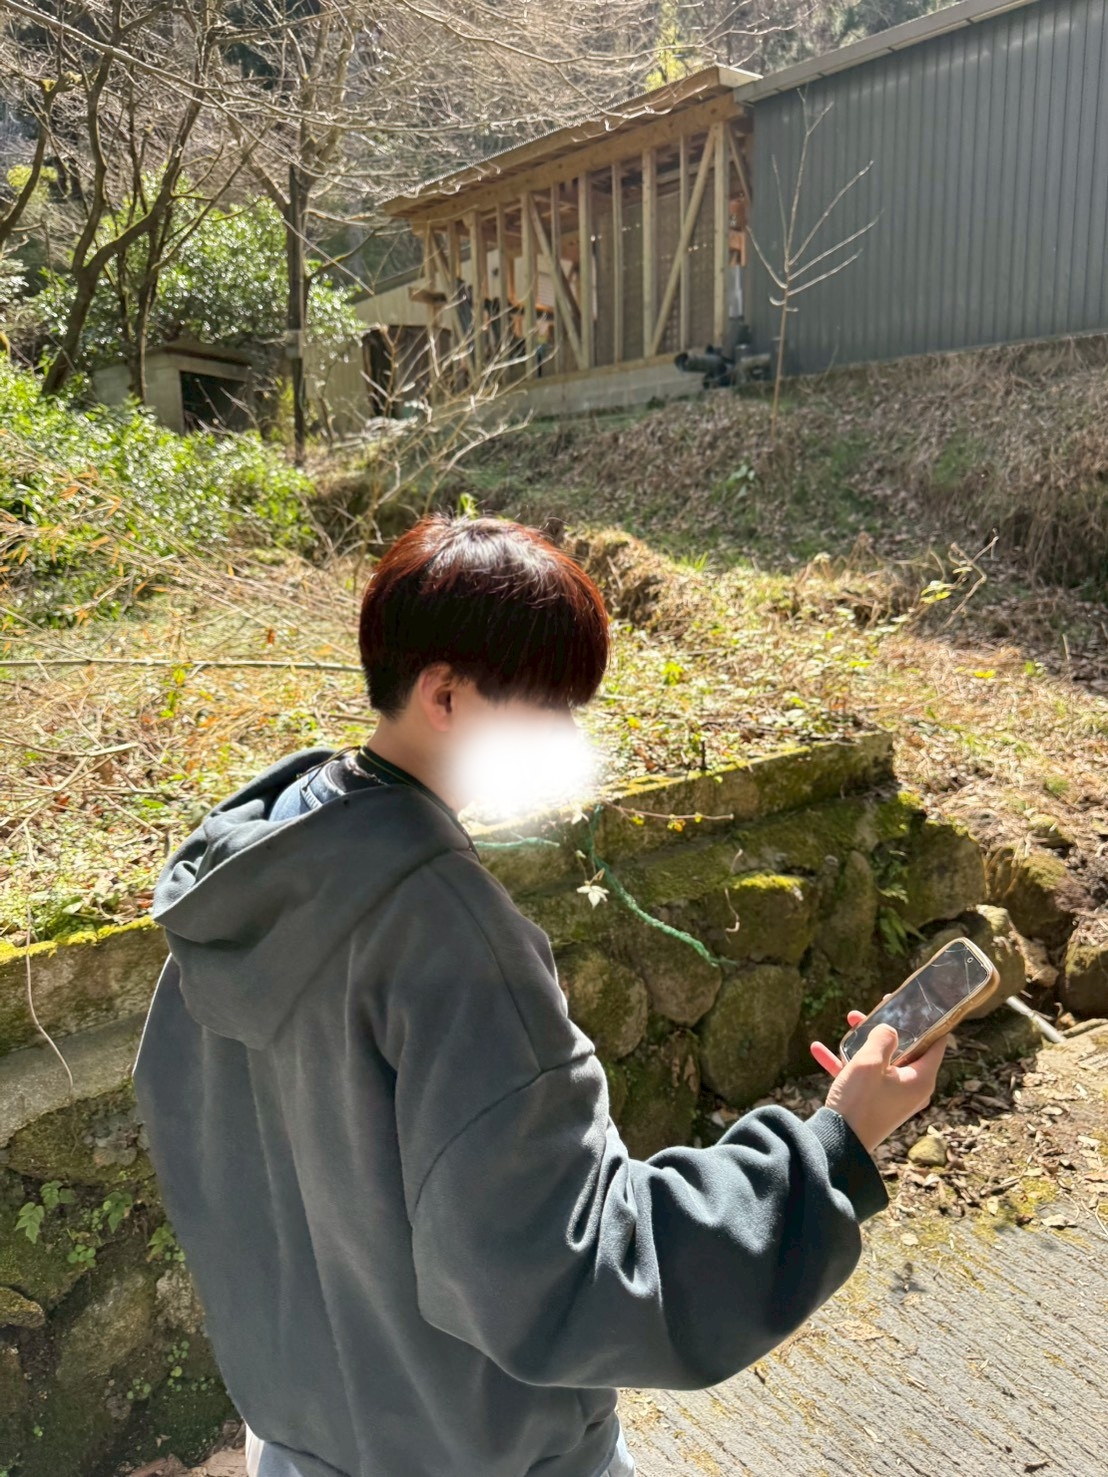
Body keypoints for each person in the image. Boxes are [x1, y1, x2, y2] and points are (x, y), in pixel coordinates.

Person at [132, 514, 949, 1477]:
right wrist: (836, 1142)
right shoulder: (449, 934)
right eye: (549, 705)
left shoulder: (258, 874)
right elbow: (577, 1268)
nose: (567, 735)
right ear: (444, 693)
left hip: (303, 1441)